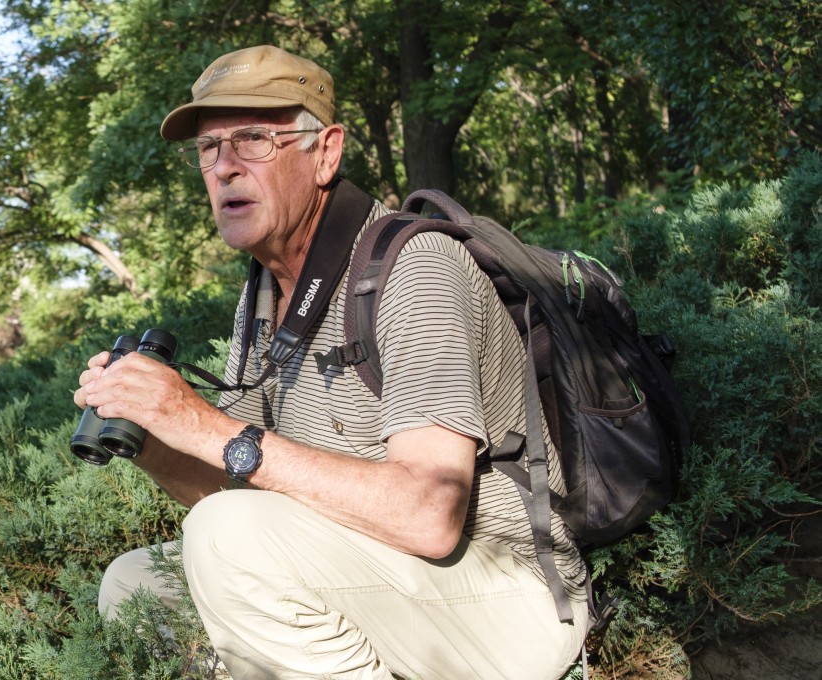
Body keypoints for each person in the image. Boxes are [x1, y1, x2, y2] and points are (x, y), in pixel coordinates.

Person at [75, 44, 589, 679]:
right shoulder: (263, 293)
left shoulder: (412, 268)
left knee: (226, 539)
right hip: (378, 573)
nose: (225, 168)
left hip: (508, 601)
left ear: (326, 153)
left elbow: (430, 514)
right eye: (209, 148)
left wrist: (205, 424)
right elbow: (237, 489)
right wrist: (154, 438)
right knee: (134, 585)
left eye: (254, 140)